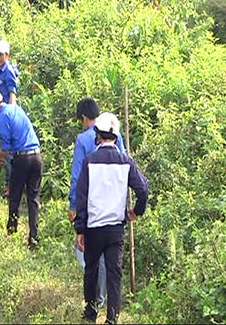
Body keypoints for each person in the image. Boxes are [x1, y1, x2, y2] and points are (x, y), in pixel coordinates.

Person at [74, 112, 148, 325]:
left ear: (97, 135)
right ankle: (112, 318)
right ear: (115, 136)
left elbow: (82, 198)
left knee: (91, 270)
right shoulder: (126, 161)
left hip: (94, 228)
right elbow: (142, 189)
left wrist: (80, 229)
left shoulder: (89, 162)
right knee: (115, 273)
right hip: (116, 228)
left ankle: (90, 310)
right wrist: (136, 211)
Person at [68, 98, 127, 309]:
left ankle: (93, 304)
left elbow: (77, 179)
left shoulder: (84, 140)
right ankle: (107, 307)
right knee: (111, 263)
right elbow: (127, 167)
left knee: (88, 253)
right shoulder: (117, 136)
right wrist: (132, 209)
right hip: (114, 207)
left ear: (84, 118)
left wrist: (74, 206)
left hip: (93, 205)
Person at [0, 89, 43, 250]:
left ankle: (12, 231)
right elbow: (15, 142)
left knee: (14, 196)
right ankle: (33, 238)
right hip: (36, 157)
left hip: (22, 160)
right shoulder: (15, 108)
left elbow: (6, 149)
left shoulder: (1, 119)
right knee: (33, 199)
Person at [0, 40, 19, 198]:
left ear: (7, 56)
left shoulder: (8, 71)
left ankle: (11, 187)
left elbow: (12, 94)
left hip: (7, 115)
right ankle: (8, 184)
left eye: (1, 55)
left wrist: (11, 115)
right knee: (4, 151)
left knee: (9, 153)